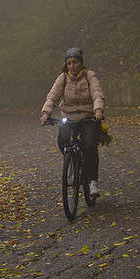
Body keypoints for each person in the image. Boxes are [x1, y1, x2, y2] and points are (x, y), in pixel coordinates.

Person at [40, 47, 106, 197]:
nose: (72, 66)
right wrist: (45, 113)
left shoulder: (89, 76)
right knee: (62, 140)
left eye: (75, 62)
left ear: (81, 63)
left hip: (88, 117)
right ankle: (72, 161)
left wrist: (98, 110)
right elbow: (53, 96)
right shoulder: (63, 78)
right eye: (69, 63)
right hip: (69, 118)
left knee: (89, 145)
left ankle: (92, 181)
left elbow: (97, 94)